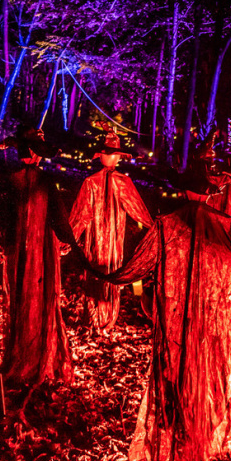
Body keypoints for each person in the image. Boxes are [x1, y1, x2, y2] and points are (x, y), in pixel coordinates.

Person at [106, 203, 231, 461]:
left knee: (177, 372)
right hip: (203, 320)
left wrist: (111, 277)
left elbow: (139, 264)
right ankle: (194, 437)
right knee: (198, 374)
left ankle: (184, 436)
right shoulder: (222, 225)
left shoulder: (171, 224)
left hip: (182, 319)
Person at [0, 126, 81, 385]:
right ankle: (36, 354)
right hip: (40, 250)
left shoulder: (11, 180)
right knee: (39, 296)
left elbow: (4, 219)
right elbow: (58, 219)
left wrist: (8, 242)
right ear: (36, 156)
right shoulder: (45, 183)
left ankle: (21, 350)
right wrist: (69, 241)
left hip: (18, 253)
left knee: (21, 295)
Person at [68, 132, 153, 334]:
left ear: (119, 157)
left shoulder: (123, 182)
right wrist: (69, 237)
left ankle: (107, 316)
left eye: (113, 154)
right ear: (101, 156)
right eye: (107, 153)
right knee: (95, 270)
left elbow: (137, 208)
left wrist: (152, 227)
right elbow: (81, 214)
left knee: (111, 271)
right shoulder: (91, 182)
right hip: (95, 237)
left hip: (114, 237)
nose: (110, 158)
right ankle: (94, 316)